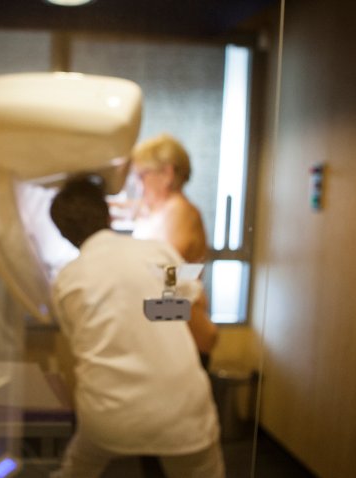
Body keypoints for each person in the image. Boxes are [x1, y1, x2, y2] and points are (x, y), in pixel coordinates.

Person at [48, 175, 223, 478]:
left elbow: (86, 339)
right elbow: (199, 328)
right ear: (107, 214)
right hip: (181, 415)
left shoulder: (67, 280)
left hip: (108, 417)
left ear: (64, 235)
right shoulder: (157, 252)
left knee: (77, 468)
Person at [130, 133, 208, 264]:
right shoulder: (161, 210)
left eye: (141, 176)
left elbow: (169, 270)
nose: (139, 186)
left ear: (167, 174)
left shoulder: (179, 210)